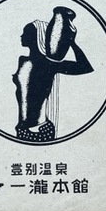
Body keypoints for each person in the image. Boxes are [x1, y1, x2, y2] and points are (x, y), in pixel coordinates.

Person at [12, 12, 93, 142]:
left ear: (37, 36)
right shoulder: (23, 61)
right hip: (22, 128)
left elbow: (85, 67)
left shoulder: (49, 63)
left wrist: (71, 42)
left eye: (26, 32)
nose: (22, 36)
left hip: (38, 129)